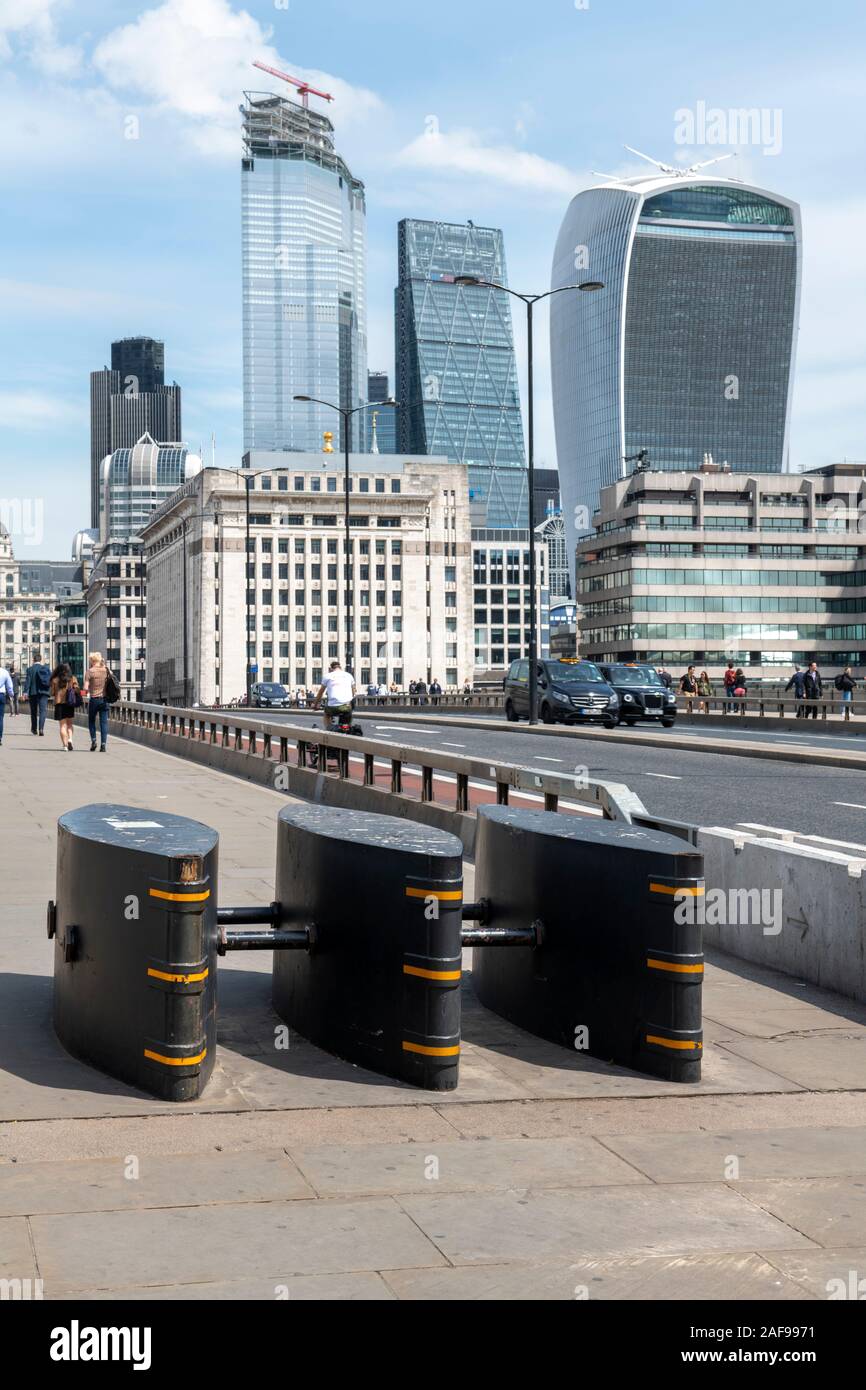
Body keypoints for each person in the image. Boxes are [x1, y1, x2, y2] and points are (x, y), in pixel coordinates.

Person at [312, 659, 356, 729]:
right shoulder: (349, 675)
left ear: (331, 669)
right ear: (340, 668)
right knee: (349, 712)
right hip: (347, 706)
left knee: (326, 714)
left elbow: (321, 692)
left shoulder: (327, 676)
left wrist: (315, 704)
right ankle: (348, 728)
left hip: (333, 707)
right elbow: (354, 691)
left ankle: (329, 729)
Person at [50, 661, 81, 751]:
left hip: (59, 704)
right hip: (69, 704)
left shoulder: (55, 680)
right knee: (70, 724)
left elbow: (52, 693)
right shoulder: (72, 678)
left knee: (62, 726)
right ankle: (70, 739)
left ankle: (65, 746)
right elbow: (77, 690)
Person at [84, 651, 110, 752]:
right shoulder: (106, 670)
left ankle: (94, 741)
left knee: (91, 722)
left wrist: (90, 686)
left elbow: (85, 688)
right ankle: (103, 745)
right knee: (104, 723)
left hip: (94, 699)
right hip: (104, 700)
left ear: (91, 660)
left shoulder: (90, 671)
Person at [24, 651, 51, 735]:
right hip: (44, 693)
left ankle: (34, 729)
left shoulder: (30, 669)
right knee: (42, 711)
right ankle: (41, 729)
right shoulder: (46, 669)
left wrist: (25, 692)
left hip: (33, 693)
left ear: (33, 660)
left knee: (33, 711)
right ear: (41, 660)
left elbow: (28, 682)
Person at [0, 663, 13, 746]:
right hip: (1, 695)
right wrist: (11, 694)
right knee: (0, 717)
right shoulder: (4, 672)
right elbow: (9, 685)